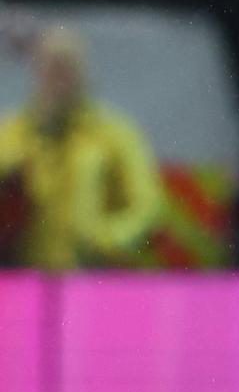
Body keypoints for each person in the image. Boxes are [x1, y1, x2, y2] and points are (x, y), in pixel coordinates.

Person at [0, 26, 164, 270]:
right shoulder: (13, 132)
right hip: (25, 277)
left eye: (66, 68)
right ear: (36, 72)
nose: (58, 79)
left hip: (92, 278)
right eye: (50, 68)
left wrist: (107, 238)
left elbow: (148, 208)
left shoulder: (115, 133)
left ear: (84, 73)